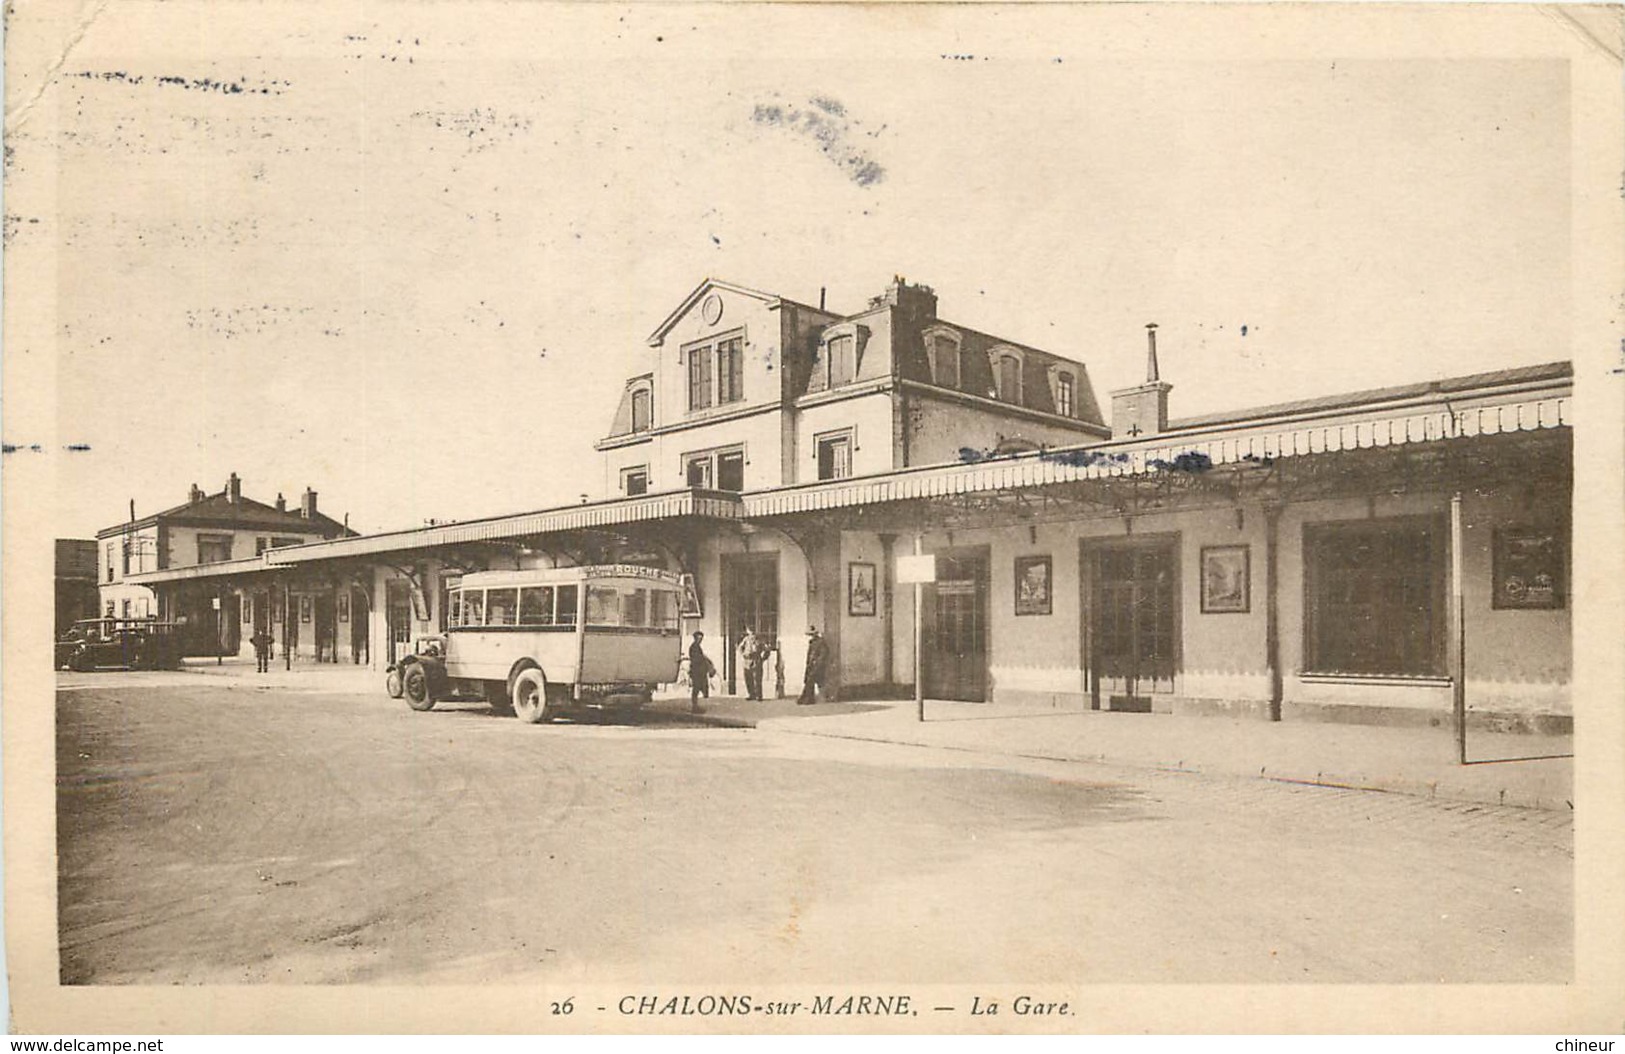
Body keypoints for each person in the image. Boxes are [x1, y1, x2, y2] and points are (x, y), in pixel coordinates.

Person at [798, 625, 830, 706]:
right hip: (811, 665)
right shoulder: (812, 643)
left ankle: (806, 699)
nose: (811, 636)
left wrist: (817, 662)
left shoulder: (821, 642)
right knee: (809, 681)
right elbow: (809, 654)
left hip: (817, 666)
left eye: (812, 634)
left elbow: (823, 654)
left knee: (812, 681)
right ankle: (808, 699)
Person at [687, 631, 712, 714]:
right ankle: (694, 707)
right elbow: (696, 659)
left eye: (701, 639)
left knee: (698, 688)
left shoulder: (697, 647)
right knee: (696, 689)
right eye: (699, 638)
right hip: (696, 671)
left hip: (699, 671)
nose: (700, 640)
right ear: (695, 638)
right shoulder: (693, 647)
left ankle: (696, 706)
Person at [737, 628, 765, 701]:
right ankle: (751, 694)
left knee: (757, 679)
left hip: (756, 660)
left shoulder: (759, 639)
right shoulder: (746, 639)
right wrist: (743, 654)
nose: (752, 632)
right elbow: (740, 647)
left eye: (753, 630)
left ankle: (759, 695)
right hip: (747, 661)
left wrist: (763, 658)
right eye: (750, 630)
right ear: (748, 631)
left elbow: (766, 650)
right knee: (748, 678)